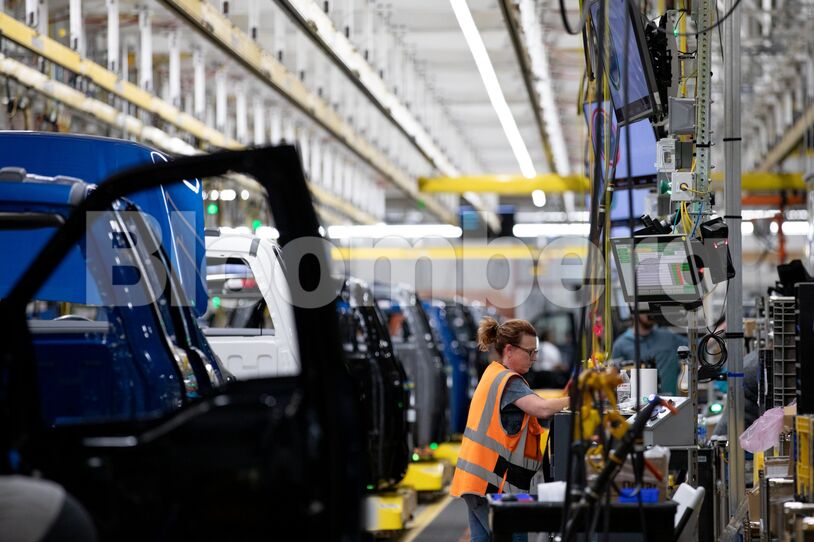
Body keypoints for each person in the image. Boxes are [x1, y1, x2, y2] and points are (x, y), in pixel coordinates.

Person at [450, 317, 570, 542]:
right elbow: (542, 408)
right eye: (529, 352)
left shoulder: (493, 373)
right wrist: (578, 399)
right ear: (509, 350)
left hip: (477, 482)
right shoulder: (510, 382)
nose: (534, 359)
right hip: (492, 487)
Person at [611, 313, 688, 395]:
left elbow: (695, 346)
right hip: (639, 405)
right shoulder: (621, 345)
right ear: (634, 312)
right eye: (644, 309)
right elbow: (615, 382)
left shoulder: (669, 338)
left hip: (671, 403)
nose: (649, 312)